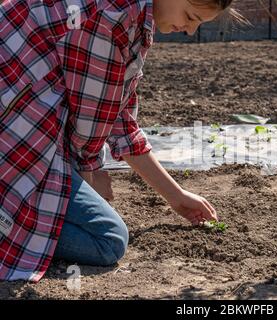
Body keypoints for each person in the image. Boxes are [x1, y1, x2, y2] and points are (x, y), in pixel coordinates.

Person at [0, 0, 241, 282]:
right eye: (190, 17)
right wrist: (90, 170)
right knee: (108, 240)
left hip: (24, 117)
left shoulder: (134, 17)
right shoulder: (113, 17)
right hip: (14, 124)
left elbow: (118, 114)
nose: (189, 30)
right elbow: (89, 124)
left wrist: (177, 197)